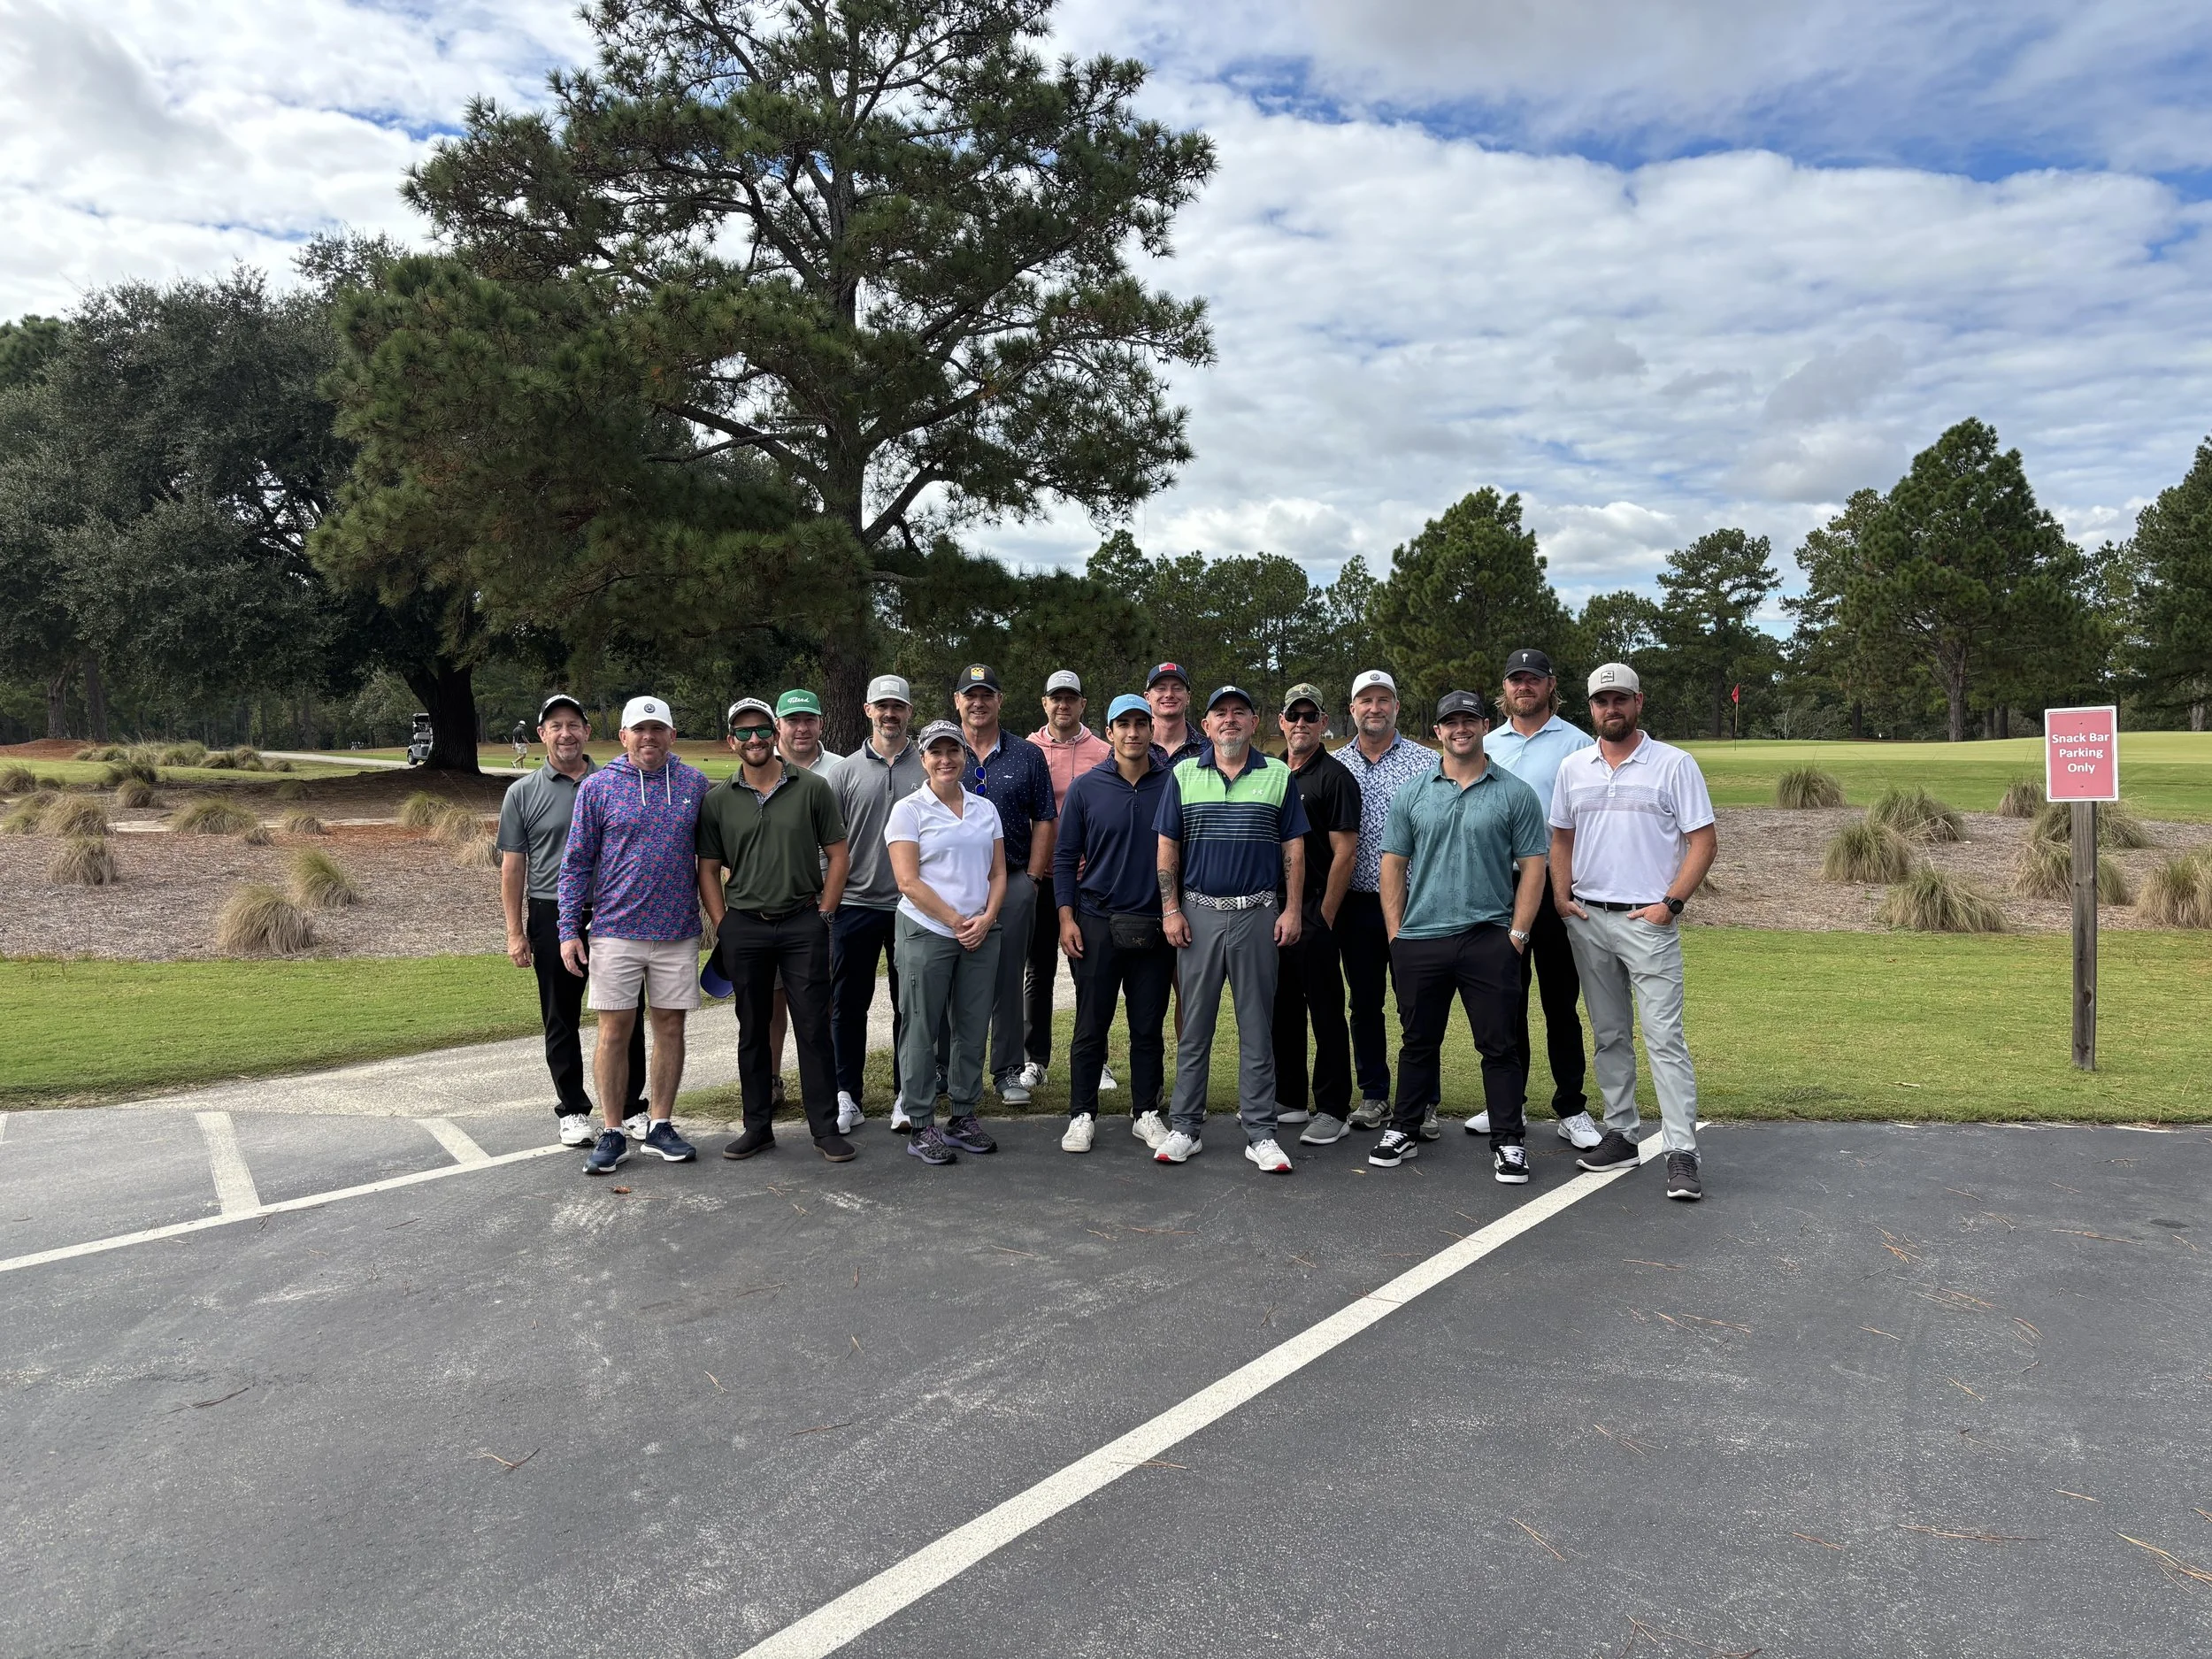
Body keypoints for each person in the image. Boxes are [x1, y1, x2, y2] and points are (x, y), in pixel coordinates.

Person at [1548, 663, 1717, 1202]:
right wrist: (1561, 895)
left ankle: (1681, 1150)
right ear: (1590, 708)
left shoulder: (1673, 764)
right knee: (1609, 1033)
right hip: (1589, 918)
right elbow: (1561, 839)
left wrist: (1671, 903)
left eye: (1620, 700)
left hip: (1647, 920)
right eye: (1601, 702)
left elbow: (1703, 841)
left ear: (1638, 703)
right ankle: (1621, 1132)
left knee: (1664, 1038)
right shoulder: (1574, 767)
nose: (1610, 710)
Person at [1366, 691, 1549, 1183]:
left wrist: (1517, 933)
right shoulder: (1413, 793)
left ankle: (1509, 1141)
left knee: (1499, 1044)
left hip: (1489, 936)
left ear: (1484, 726)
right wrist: (1395, 934)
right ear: (1438, 731)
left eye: (1468, 721)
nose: (1459, 729)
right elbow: (1393, 864)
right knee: (1418, 1042)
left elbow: (1534, 867)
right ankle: (1403, 1126)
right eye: (1451, 723)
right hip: (1421, 938)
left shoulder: (1514, 792)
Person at [1155, 686, 1309, 1173]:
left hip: (1258, 914)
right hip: (1197, 915)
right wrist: (1170, 909)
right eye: (1220, 713)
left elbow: (1294, 849)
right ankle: (1184, 1128)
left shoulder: (1278, 775)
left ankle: (1260, 1133)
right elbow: (1168, 848)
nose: (1229, 720)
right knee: (1194, 1027)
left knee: (1257, 1028)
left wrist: (1292, 910)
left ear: (1254, 721)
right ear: (1206, 725)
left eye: (1239, 713)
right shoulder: (1183, 774)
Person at [697, 696, 855, 1164]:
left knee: (813, 1027)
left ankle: (825, 1128)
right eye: (743, 732)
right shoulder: (718, 800)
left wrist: (825, 911)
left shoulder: (811, 788)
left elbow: (839, 853)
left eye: (761, 730)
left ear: (775, 734)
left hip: (804, 921)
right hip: (745, 925)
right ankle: (758, 1126)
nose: (754, 739)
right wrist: (724, 924)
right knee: (753, 1030)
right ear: (731, 742)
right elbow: (708, 869)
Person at [557, 695, 710, 1175]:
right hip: (614, 930)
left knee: (670, 1028)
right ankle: (613, 1130)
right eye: (638, 731)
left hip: (677, 931)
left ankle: (660, 1124)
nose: (649, 738)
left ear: (671, 735)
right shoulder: (598, 788)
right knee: (614, 1031)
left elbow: (713, 857)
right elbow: (576, 862)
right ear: (623, 737)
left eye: (657, 729)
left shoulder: (694, 784)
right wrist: (568, 929)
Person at [496, 694, 647, 1147]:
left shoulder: (617, 781)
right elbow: (513, 866)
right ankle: (574, 1109)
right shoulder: (523, 793)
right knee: (560, 1014)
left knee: (627, 1013)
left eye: (574, 725)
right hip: (552, 909)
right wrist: (515, 933)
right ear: (541, 735)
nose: (566, 733)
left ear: (587, 732)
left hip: (615, 911)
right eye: (555, 726)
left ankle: (631, 1105)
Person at [1477, 649, 1603, 1151]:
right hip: (1497, 888)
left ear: (1551, 685)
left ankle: (1571, 1107)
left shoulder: (1577, 744)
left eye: (1533, 679)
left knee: (1559, 1002)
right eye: (1515, 680)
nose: (1523, 687)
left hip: (1556, 887)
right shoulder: (1486, 746)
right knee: (1505, 1000)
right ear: (1504, 689)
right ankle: (1509, 1105)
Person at [1054, 695, 1174, 1153]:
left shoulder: (1172, 784)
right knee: (1090, 1025)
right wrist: (1066, 917)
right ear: (1109, 732)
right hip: (1097, 921)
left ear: (1150, 730)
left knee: (1148, 1026)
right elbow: (1065, 858)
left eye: (1141, 724)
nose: (1133, 732)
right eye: (1123, 724)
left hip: (1154, 923)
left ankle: (1146, 1112)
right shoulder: (1087, 787)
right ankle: (1082, 1113)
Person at [885, 719, 1007, 1166]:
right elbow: (908, 881)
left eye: (952, 751)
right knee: (920, 1027)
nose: (945, 760)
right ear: (924, 760)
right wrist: (958, 920)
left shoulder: (983, 809)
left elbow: (997, 873)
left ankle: (962, 1115)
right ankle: (920, 1122)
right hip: (927, 931)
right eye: (936, 753)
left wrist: (987, 917)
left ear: (964, 756)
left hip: (980, 932)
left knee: (972, 1027)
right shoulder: (909, 810)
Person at [1333, 669, 1440, 1132]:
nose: (1374, 708)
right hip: (1356, 904)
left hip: (1415, 901)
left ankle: (1424, 1100)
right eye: (1365, 701)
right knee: (1364, 1003)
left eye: (1383, 700)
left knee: (1417, 1003)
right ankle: (1374, 1093)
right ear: (1353, 708)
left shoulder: (1425, 762)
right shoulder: (1336, 763)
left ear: (1396, 706)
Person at [951, 664, 1056, 1105]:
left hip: (1013, 879)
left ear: (1000, 700)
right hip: (953, 887)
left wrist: (1032, 879)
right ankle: (953, 1070)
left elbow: (1045, 818)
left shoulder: (1026, 753)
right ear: (957, 701)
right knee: (953, 977)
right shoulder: (941, 750)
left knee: (1009, 978)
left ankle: (1009, 1070)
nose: (978, 702)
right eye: (969, 695)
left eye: (986, 694)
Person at [1269, 683, 1363, 1147]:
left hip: (1316, 911)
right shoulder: (1270, 773)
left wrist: (1323, 915)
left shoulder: (1335, 776)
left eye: (1311, 716)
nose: (1301, 724)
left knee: (1325, 1012)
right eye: (1294, 716)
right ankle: (1289, 1097)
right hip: (1275, 909)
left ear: (1324, 723)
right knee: (1282, 1006)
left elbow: (1346, 852)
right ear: (1281, 722)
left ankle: (1332, 1108)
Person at [831, 675, 924, 1133]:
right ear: (868, 710)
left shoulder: (927, 768)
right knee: (849, 1004)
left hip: (911, 907)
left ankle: (906, 1093)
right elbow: (827, 843)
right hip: (854, 904)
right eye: (882, 706)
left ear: (909, 712)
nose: (890, 714)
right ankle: (847, 1093)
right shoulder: (845, 771)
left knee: (909, 1004)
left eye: (898, 707)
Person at [1021, 670, 1113, 1096]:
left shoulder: (1104, 750)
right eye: (1055, 698)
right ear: (1045, 704)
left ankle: (1099, 1062)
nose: (1063, 705)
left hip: (1089, 878)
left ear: (1082, 704)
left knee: (1090, 974)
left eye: (1071, 698)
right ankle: (1035, 1059)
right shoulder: (1026, 750)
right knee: (1038, 970)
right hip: (1042, 877)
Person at [758, 687, 844, 1115]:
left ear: (821, 723)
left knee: (821, 1000)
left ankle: (827, 1085)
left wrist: (830, 905)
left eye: (809, 719)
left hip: (825, 901)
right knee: (773, 999)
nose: (802, 728)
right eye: (793, 721)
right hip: (771, 904)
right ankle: (772, 1081)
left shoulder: (839, 770)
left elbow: (846, 844)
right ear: (779, 727)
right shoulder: (761, 768)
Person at [1144, 662, 1209, 765]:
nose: (1169, 694)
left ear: (1188, 697)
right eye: (1161, 688)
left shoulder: (1209, 750)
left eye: (1177, 688)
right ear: (1148, 697)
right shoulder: (1134, 746)